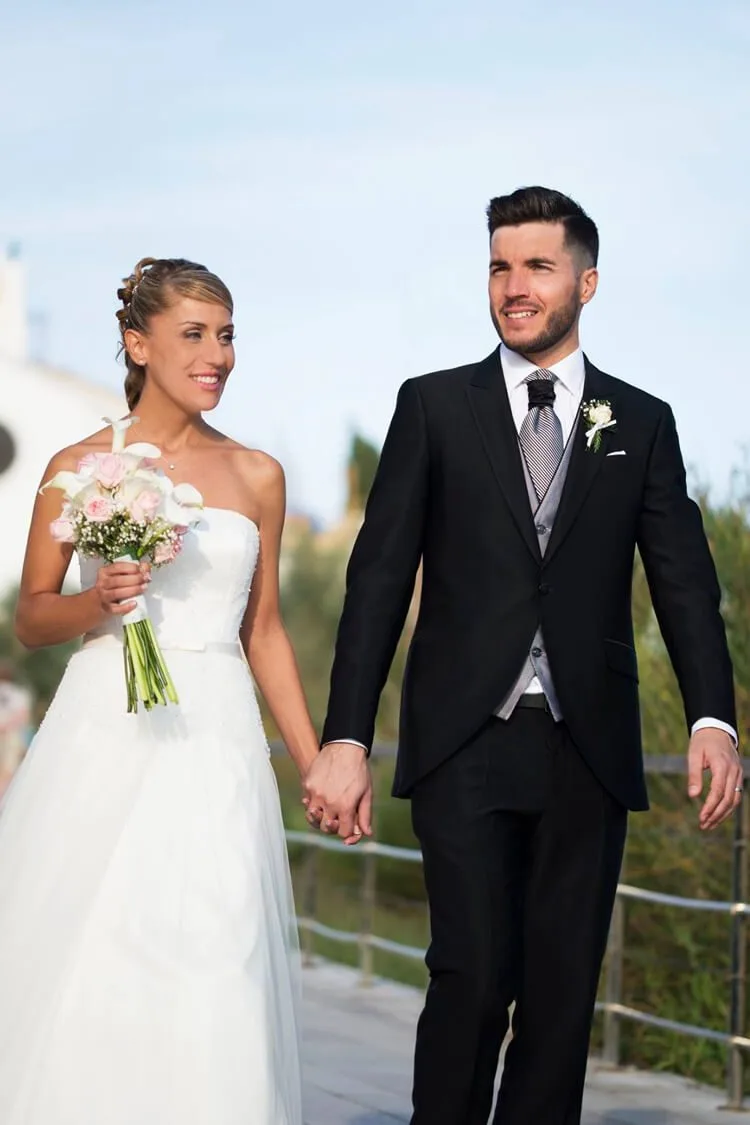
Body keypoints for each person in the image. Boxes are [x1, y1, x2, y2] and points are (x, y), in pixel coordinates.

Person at [303, 187, 742, 1125]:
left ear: (586, 281)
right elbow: (377, 582)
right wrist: (346, 736)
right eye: (500, 266)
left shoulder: (642, 421)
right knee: (468, 970)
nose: (514, 285)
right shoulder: (432, 408)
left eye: (537, 266)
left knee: (561, 989)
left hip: (588, 740)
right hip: (464, 735)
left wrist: (712, 715)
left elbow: (685, 583)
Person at [0, 257, 319, 1124]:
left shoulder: (259, 475)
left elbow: (264, 634)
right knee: (96, 950)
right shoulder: (77, 462)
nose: (217, 353)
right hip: (106, 730)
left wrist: (313, 758)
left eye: (226, 335)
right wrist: (98, 600)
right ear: (139, 344)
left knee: (220, 953)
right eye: (194, 334)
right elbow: (31, 616)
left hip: (214, 739)